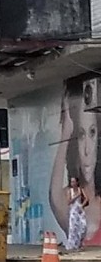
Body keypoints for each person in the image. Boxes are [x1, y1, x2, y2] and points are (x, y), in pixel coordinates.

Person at [50, 81, 101, 246]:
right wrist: (66, 131)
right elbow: (54, 196)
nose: (87, 149)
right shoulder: (71, 204)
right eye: (80, 135)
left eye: (92, 133)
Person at [66, 177, 87, 250]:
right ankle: (73, 245)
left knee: (83, 227)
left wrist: (82, 205)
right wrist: (77, 196)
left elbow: (87, 198)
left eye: (74, 182)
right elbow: (68, 202)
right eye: (71, 182)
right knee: (73, 229)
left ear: (77, 182)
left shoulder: (80, 189)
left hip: (80, 210)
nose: (73, 183)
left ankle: (80, 243)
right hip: (73, 211)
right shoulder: (70, 191)